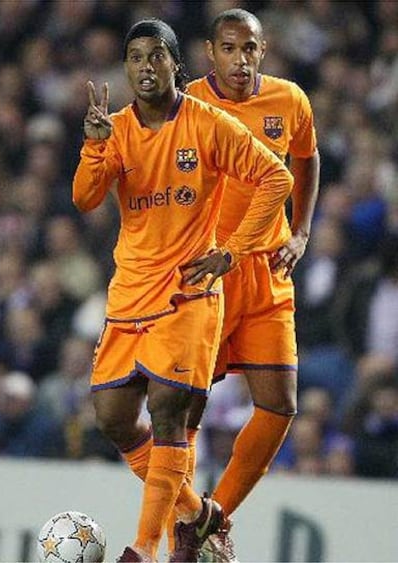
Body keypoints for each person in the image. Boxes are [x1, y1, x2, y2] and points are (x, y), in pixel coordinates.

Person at [72, 18, 293, 563]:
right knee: (113, 417)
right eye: (136, 58)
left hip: (189, 293)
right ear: (126, 68)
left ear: (176, 64)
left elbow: (277, 178)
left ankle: (143, 548)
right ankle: (197, 513)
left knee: (168, 410)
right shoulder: (117, 129)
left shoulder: (207, 123)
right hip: (130, 292)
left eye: (156, 57)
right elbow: (84, 198)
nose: (146, 67)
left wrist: (232, 251)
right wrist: (94, 148)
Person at [185, 9, 320, 560]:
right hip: (208, 273)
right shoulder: (186, 101)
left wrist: (303, 230)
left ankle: (211, 517)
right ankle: (185, 515)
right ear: (210, 51)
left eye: (250, 49)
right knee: (185, 407)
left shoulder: (290, 101)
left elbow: (308, 162)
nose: (240, 60)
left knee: (280, 404)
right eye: (229, 48)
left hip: (268, 270)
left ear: (263, 51)